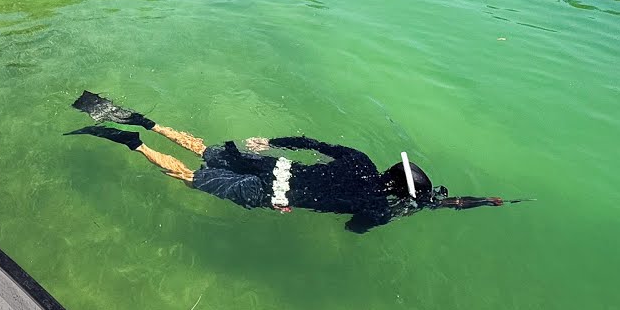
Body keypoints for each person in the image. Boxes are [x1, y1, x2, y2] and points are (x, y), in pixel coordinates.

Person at [68, 91, 519, 233]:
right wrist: (458, 203)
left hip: (275, 165)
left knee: (205, 149)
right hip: (274, 193)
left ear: (389, 171)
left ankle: (147, 122)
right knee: (191, 177)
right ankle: (135, 144)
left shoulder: (360, 159)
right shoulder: (379, 207)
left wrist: (271, 141)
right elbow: (353, 228)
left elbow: (312, 141)